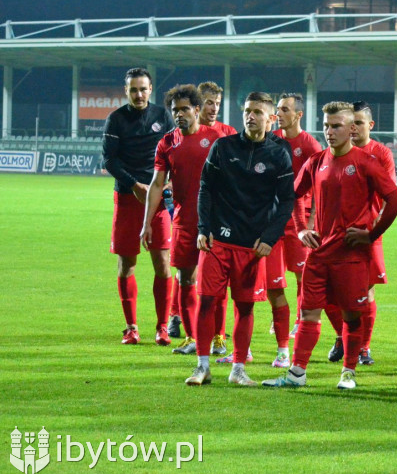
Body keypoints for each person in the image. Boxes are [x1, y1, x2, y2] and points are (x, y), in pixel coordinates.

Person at [263, 102, 397, 391]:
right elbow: (292, 196)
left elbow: (395, 200)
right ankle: (297, 373)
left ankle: (348, 372)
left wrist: (371, 234)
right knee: (309, 313)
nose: (329, 131)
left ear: (352, 128)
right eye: (326, 125)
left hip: (351, 256)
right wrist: (302, 230)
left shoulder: (366, 162)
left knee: (351, 317)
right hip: (319, 253)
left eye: (336, 125)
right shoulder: (316, 161)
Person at [185, 91, 295, 387]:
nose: (250, 116)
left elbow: (286, 201)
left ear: (270, 118)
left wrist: (270, 238)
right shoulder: (223, 147)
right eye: (247, 110)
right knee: (207, 301)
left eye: (258, 112)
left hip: (252, 246)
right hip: (217, 240)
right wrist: (203, 228)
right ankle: (202, 366)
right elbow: (206, 188)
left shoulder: (278, 154)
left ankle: (238, 369)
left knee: (245, 307)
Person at [141, 84, 220, 356]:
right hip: (184, 221)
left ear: (196, 110)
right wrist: (147, 223)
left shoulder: (218, 138)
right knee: (185, 278)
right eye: (175, 110)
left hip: (215, 223)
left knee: (214, 282)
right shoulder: (167, 143)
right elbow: (156, 184)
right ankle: (192, 337)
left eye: (185, 109)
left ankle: (218, 337)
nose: (179, 114)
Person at [102, 67, 174, 345]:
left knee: (163, 263)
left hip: (157, 200)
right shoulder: (116, 120)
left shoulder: (161, 116)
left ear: (151, 89)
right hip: (127, 197)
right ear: (126, 91)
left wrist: (168, 183)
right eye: (133, 89)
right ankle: (131, 327)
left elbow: (173, 150)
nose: (139, 94)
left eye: (143, 89)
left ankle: (162, 326)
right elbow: (110, 160)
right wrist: (134, 185)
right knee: (127, 262)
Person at [264, 92, 323, 369]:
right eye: (277, 109)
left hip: (299, 222)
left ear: (298, 115)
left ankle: (300, 321)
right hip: (272, 222)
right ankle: (283, 327)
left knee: (302, 275)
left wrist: (310, 224)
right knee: (273, 283)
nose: (279, 113)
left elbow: (319, 187)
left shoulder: (310, 145)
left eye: (284, 109)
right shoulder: (272, 140)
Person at [350, 101, 397, 366]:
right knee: (337, 292)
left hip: (368, 234)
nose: (353, 127)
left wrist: (373, 231)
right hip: (339, 233)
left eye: (358, 122)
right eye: (350, 122)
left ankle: (363, 348)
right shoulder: (337, 151)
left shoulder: (381, 153)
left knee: (366, 291)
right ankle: (343, 338)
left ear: (370, 125)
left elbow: (390, 196)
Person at [197, 81, 237, 360]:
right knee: (186, 276)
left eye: (217, 104)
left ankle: (220, 337)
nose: (213, 109)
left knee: (220, 285)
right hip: (190, 216)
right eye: (209, 103)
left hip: (223, 219)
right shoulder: (183, 132)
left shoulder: (228, 134)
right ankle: (182, 325)